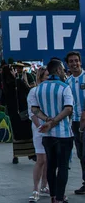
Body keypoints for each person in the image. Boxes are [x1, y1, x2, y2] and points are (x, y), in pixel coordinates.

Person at [31, 59, 74, 203]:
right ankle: (60, 198)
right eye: (63, 69)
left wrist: (47, 119)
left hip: (47, 135)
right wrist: (54, 121)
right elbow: (68, 109)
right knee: (62, 167)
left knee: (51, 165)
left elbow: (34, 109)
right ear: (59, 70)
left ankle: (53, 196)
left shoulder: (39, 88)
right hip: (63, 134)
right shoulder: (64, 87)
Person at [2, 64, 35, 164]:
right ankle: (31, 153)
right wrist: (24, 80)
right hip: (22, 110)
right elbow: (28, 90)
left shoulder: (5, 85)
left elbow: (3, 100)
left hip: (12, 112)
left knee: (16, 134)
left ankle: (16, 155)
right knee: (27, 133)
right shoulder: (18, 82)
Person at [27, 67, 50, 202]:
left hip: (51, 127)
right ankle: (35, 188)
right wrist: (39, 127)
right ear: (41, 77)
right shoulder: (34, 91)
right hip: (39, 128)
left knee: (49, 160)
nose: (49, 78)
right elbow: (32, 112)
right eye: (46, 75)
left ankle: (45, 185)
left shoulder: (51, 90)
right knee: (41, 159)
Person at [65, 51, 85, 195]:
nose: (74, 63)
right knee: (80, 154)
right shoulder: (68, 82)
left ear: (80, 62)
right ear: (68, 64)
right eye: (71, 61)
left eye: (76, 61)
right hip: (75, 122)